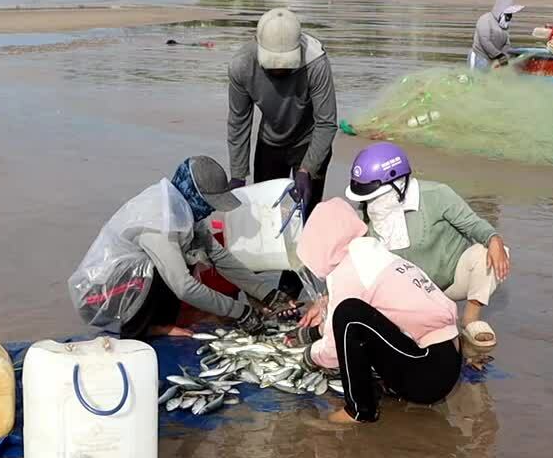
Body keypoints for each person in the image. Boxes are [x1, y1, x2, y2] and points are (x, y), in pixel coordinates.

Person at [69, 156, 287, 340]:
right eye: (210, 203)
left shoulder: (182, 207)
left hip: (128, 283)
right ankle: (145, 327)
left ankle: (160, 322)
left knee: (191, 251)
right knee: (169, 265)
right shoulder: (161, 221)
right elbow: (183, 287)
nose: (212, 211)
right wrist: (240, 312)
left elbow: (217, 255)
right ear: (195, 195)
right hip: (101, 296)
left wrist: (267, 294)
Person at [294, 199, 461, 424]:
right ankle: (389, 385)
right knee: (350, 315)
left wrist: (310, 356)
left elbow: (335, 348)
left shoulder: (348, 272)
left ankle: (360, 410)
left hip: (428, 375)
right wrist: (324, 311)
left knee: (348, 314)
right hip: (446, 358)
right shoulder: (374, 254)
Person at [341, 143, 509, 350]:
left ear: (399, 183)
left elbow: (474, 225)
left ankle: (470, 320)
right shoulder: (365, 213)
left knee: (487, 252)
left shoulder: (437, 194)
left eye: (375, 197)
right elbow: (353, 260)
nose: (371, 203)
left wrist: (494, 239)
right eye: (367, 199)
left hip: (450, 280)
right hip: (408, 290)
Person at [226, 8, 337, 220]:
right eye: (272, 65)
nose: (278, 71)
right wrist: (237, 175)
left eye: (285, 65)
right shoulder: (241, 65)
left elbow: (326, 123)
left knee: (308, 215)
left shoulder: (316, 62)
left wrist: (307, 169)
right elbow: (238, 123)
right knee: (263, 214)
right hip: (270, 144)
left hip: (309, 141)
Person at [469, 0, 524, 70]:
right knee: (475, 79)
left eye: (511, 15)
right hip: (479, 56)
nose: (510, 17)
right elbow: (484, 41)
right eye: (508, 15)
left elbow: (507, 44)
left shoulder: (504, 25)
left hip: (493, 59)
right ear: (500, 12)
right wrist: (499, 55)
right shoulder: (485, 19)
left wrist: (505, 57)